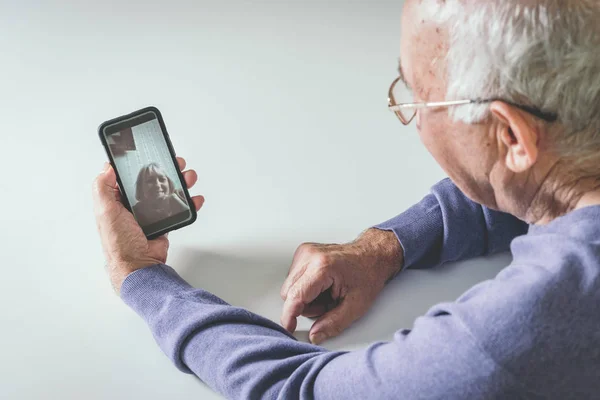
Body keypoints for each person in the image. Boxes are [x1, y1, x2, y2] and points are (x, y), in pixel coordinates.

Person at [93, 0, 600, 398]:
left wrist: (140, 276)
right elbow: (540, 175)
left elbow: (302, 390)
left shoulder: (530, 323)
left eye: (419, 97)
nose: (412, 114)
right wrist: (386, 248)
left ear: (511, 136)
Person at [132, 162, 188, 227]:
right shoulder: (135, 212)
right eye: (150, 181)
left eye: (162, 179)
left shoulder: (181, 196)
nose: (157, 185)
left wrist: (176, 200)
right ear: (140, 187)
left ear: (169, 183)